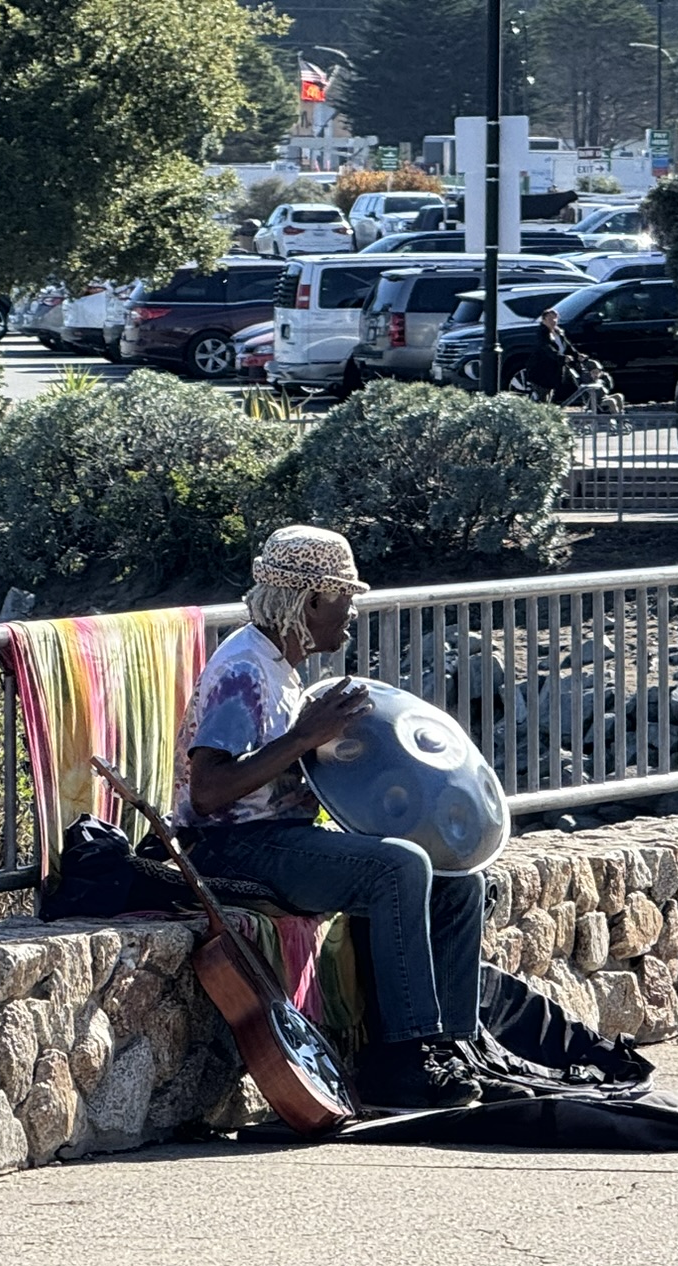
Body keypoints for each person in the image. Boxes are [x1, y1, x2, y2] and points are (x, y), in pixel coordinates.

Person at [172, 526, 485, 1112]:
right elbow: (210, 792)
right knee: (398, 867)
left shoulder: (279, 665)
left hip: (280, 838)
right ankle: (401, 1060)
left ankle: (452, 1048)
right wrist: (305, 737)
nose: (353, 611)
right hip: (228, 846)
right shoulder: (243, 668)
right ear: (312, 599)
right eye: (346, 595)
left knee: (459, 879)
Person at [526, 308, 583, 404]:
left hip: (554, 371)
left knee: (549, 396)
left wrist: (577, 355)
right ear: (543, 320)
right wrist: (561, 358)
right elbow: (547, 349)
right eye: (550, 318)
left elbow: (567, 346)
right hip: (541, 371)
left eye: (555, 318)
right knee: (542, 397)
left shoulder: (558, 333)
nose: (553, 321)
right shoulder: (541, 333)